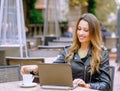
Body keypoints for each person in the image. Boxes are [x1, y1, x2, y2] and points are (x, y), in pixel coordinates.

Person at [21, 13, 111, 91]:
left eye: (85, 30)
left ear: (93, 33)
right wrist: (35, 69)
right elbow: (52, 69)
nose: (80, 33)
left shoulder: (102, 54)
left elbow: (106, 85)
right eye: (79, 29)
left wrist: (87, 85)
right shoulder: (68, 51)